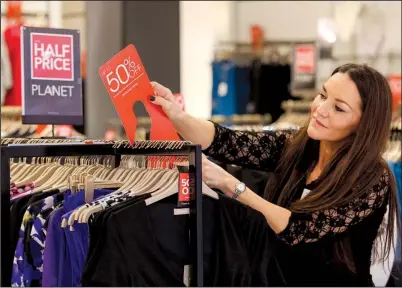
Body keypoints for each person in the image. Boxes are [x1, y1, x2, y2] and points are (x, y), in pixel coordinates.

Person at [149, 63, 401, 286]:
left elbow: (298, 229)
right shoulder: (299, 146)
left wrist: (232, 185)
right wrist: (176, 115)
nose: (320, 109)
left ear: (363, 125)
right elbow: (227, 141)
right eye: (322, 95)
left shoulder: (371, 179)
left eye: (339, 108)